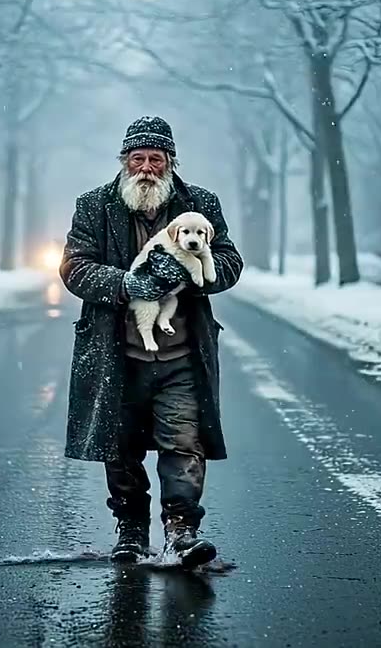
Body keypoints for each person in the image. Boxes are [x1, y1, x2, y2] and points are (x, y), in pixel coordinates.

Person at [59, 116, 243, 568]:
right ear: (124, 162)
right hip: (115, 355)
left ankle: (182, 532)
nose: (146, 167)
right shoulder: (94, 206)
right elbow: (74, 267)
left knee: (183, 442)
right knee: (120, 448)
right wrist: (126, 283)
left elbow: (230, 260)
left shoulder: (200, 203)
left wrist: (187, 272)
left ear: (169, 163)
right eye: (137, 158)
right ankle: (131, 531)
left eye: (155, 159)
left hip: (182, 355)